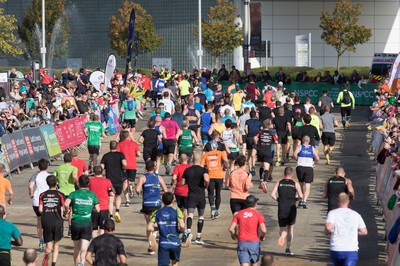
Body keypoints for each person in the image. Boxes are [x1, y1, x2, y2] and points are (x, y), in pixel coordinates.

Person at [65, 175, 100, 266]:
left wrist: (67, 210)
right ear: (88, 184)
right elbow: (98, 209)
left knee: (77, 248)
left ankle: (77, 264)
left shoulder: (73, 194)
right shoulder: (92, 194)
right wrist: (90, 209)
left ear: (78, 183)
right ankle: (82, 263)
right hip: (87, 223)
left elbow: (66, 204)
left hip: (75, 223)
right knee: (84, 248)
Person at [325, 193, 368, 266]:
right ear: (348, 201)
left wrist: (326, 232)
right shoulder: (356, 214)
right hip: (351, 249)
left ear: (337, 201)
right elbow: (364, 231)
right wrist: (354, 231)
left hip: (336, 248)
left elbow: (328, 228)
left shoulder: (332, 213)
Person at [135, 160, 168, 255]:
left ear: (145, 168)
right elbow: (166, 190)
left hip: (147, 204)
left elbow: (137, 190)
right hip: (157, 204)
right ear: (154, 168)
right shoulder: (158, 177)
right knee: (154, 224)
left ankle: (150, 245)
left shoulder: (142, 177)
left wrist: (140, 192)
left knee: (148, 224)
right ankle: (154, 236)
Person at [270, 166, 303, 256]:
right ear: (292, 174)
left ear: (284, 174)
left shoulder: (279, 182)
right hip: (291, 208)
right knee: (290, 228)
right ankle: (288, 248)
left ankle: (282, 236)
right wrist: (295, 199)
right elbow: (301, 196)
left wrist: (278, 199)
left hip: (282, 207)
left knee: (283, 228)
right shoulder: (295, 183)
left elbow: (272, 194)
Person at [147, 192, 185, 266]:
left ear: (162, 201)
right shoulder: (177, 211)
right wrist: (180, 231)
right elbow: (182, 226)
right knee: (175, 262)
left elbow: (149, 228)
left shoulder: (157, 212)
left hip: (163, 244)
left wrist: (159, 227)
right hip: (175, 243)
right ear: (173, 201)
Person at [228, 195, 267, 266]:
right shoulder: (258, 215)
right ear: (255, 204)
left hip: (242, 242)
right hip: (254, 242)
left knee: (244, 263)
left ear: (246, 204)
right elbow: (264, 230)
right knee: (254, 263)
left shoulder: (239, 214)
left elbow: (231, 229)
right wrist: (262, 237)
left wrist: (236, 236)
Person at [181, 154, 210, 245]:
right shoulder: (203, 170)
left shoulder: (187, 170)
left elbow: (182, 182)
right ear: (200, 160)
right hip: (201, 195)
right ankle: (198, 237)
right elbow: (206, 178)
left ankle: (189, 231)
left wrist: (188, 182)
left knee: (190, 214)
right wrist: (206, 185)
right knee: (201, 216)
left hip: (191, 195)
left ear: (192, 160)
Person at [39, 175, 65, 266]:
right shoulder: (60, 195)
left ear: (47, 183)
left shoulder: (42, 195)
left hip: (46, 221)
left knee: (48, 246)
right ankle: (53, 264)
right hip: (57, 221)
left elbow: (40, 210)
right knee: (56, 245)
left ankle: (45, 262)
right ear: (56, 183)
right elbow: (63, 209)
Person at [100, 141, 127, 223]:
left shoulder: (106, 156)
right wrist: (124, 168)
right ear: (117, 147)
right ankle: (117, 212)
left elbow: (101, 167)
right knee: (118, 195)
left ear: (109, 147)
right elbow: (124, 163)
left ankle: (111, 216)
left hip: (109, 180)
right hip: (118, 178)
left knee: (110, 198)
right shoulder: (120, 155)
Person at [201, 140, 228, 219]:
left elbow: (201, 165)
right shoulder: (220, 153)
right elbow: (226, 161)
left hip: (210, 176)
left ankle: (212, 207)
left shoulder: (206, 154)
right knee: (218, 193)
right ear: (216, 146)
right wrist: (225, 167)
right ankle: (217, 209)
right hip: (219, 176)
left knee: (210, 194)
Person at [28, 158, 50, 252]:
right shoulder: (50, 175)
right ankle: (48, 242)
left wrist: (31, 194)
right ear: (47, 167)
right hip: (48, 200)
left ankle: (41, 242)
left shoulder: (35, 175)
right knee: (47, 222)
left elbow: (30, 186)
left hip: (37, 201)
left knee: (39, 222)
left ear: (38, 167)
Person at [54, 152, 78, 236]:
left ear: (63, 160)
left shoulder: (58, 168)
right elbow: (75, 176)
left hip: (61, 192)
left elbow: (53, 178)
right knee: (71, 210)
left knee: (61, 209)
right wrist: (77, 182)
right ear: (71, 160)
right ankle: (70, 229)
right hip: (71, 191)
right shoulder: (74, 168)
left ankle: (60, 228)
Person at [293, 136, 319, 209]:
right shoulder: (312, 148)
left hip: (300, 167)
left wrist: (297, 159)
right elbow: (317, 158)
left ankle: (301, 199)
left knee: (300, 183)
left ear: (302, 140)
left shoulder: (299, 147)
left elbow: (294, 154)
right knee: (308, 185)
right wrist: (314, 163)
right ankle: (304, 201)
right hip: (309, 168)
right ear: (309, 141)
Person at [89, 166, 115, 237]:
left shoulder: (90, 181)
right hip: (104, 208)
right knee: (102, 228)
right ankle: (101, 244)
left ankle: (94, 243)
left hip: (93, 208)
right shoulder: (107, 181)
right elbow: (111, 193)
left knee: (94, 229)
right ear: (102, 172)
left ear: (94, 172)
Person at [117, 131, 141, 207]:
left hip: (123, 165)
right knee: (131, 181)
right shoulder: (134, 144)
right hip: (132, 165)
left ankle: (127, 200)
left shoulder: (120, 144)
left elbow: (117, 154)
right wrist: (135, 155)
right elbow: (139, 154)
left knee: (124, 182)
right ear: (129, 136)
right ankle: (131, 186)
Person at [171, 154, 191, 241]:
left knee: (180, 209)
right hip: (187, 191)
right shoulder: (190, 167)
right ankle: (185, 229)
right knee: (185, 210)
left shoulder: (177, 167)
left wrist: (173, 183)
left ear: (179, 159)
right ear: (187, 159)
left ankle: (180, 226)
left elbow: (174, 177)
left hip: (178, 191)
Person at [255, 119, 278, 184]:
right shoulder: (271, 133)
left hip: (260, 151)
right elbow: (276, 141)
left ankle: (261, 179)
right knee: (266, 167)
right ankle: (265, 181)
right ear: (269, 125)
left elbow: (255, 138)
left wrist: (257, 144)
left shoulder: (260, 132)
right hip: (268, 151)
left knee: (261, 165)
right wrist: (271, 142)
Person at [245, 111, 262, 175]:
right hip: (256, 138)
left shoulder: (247, 121)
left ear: (250, 115)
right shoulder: (259, 122)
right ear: (255, 115)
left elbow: (245, 129)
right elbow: (261, 130)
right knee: (253, 153)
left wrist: (247, 133)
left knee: (249, 154)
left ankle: (250, 168)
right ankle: (253, 166)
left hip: (249, 138)